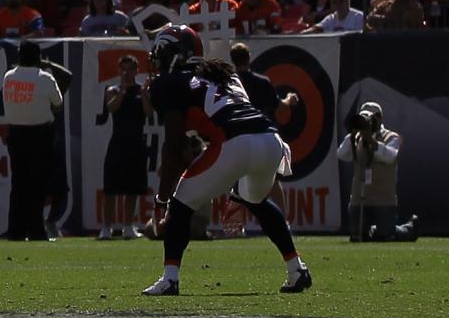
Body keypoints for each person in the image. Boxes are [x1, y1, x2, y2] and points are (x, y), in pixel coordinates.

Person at [141, 23, 311, 295]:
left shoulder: (170, 83)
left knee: (181, 204)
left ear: (176, 55)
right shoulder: (225, 74)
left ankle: (170, 277)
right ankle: (297, 269)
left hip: (235, 142)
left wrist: (162, 201)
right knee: (255, 200)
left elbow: (174, 146)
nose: (157, 61)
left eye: (161, 53)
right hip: (270, 140)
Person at [0, 41, 65, 239]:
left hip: (16, 135)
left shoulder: (8, 77)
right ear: (38, 57)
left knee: (19, 185)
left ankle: (16, 230)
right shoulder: (45, 78)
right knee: (38, 185)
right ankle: (37, 230)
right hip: (40, 135)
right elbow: (58, 103)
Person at [97, 53, 153, 238]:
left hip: (136, 143)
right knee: (111, 188)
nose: (127, 73)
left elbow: (148, 112)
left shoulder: (142, 90)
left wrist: (145, 95)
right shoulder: (112, 89)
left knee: (132, 188)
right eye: (124, 69)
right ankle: (106, 227)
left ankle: (128, 226)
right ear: (119, 71)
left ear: (137, 71)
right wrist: (122, 91)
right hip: (118, 143)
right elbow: (112, 108)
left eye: (131, 69)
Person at [340, 103, 411, 241]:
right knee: (357, 236)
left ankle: (408, 229)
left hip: (383, 198)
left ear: (380, 118)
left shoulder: (392, 137)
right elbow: (342, 154)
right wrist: (352, 135)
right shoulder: (356, 138)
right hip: (359, 197)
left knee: (385, 236)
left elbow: (390, 156)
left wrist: (371, 141)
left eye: (371, 118)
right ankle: (373, 229)